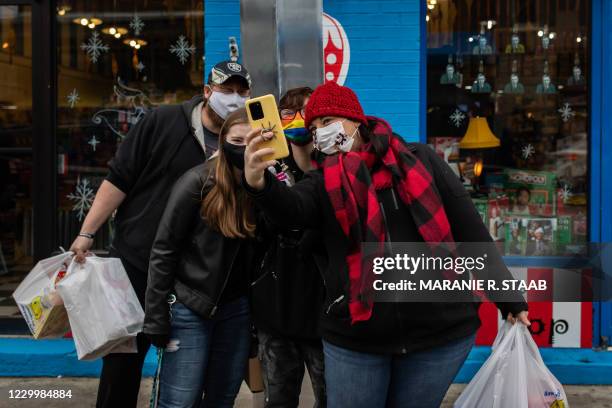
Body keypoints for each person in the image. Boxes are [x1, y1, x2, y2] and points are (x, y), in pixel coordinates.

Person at [242, 82, 530, 408]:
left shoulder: (420, 159)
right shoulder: (323, 179)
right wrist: (258, 182)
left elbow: (470, 230)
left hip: (437, 334)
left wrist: (509, 300)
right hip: (357, 339)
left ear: (355, 120)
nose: (320, 132)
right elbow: (290, 210)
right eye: (314, 127)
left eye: (327, 121)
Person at [68, 60, 251, 408]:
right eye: (227, 90)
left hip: (192, 277)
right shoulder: (163, 122)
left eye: (243, 93)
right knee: (122, 363)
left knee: (192, 370)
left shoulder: (241, 143)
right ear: (207, 92)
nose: (234, 99)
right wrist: (87, 232)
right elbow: (119, 179)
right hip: (137, 263)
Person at [144, 108, 259, 408]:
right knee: (180, 400)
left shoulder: (262, 188)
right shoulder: (196, 182)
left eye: (252, 142)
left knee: (222, 398)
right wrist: (155, 316)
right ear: (222, 143)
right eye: (237, 140)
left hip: (237, 311)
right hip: (189, 307)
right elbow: (164, 248)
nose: (244, 148)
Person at [251, 87, 327, 408]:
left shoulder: (335, 168)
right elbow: (257, 230)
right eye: (288, 114)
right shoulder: (268, 169)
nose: (297, 120)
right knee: (278, 400)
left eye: (306, 113)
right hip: (277, 313)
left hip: (325, 317)